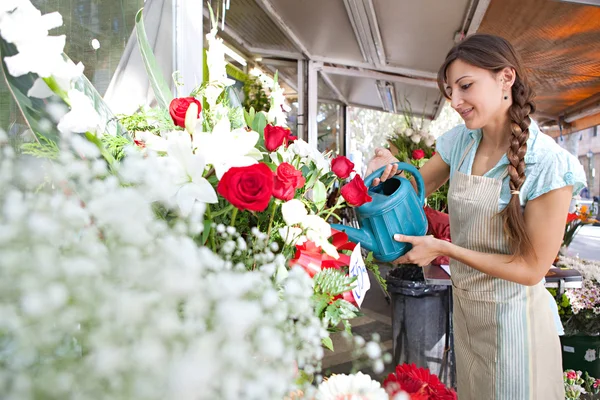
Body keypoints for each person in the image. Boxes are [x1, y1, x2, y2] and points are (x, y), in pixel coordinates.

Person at [366, 34, 587, 399]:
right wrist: (389, 171)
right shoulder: (462, 142)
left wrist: (444, 248)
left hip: (517, 329)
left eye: (466, 86)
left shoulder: (549, 164)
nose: (455, 101)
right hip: (469, 319)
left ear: (506, 78)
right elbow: (416, 188)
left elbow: (531, 269)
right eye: (451, 90)